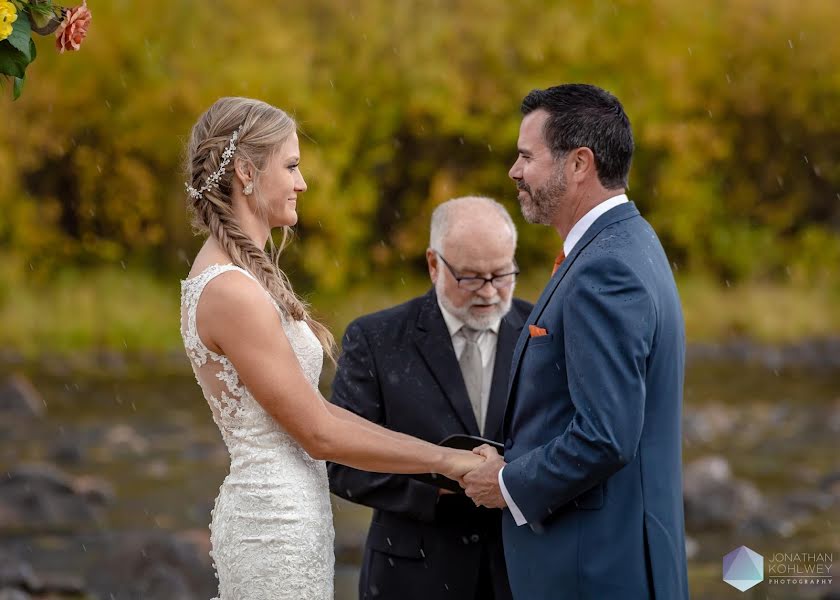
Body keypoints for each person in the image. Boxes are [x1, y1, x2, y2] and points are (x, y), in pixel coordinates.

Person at [178, 97, 484, 600]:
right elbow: (318, 433)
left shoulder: (244, 274)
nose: (302, 183)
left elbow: (317, 412)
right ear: (246, 172)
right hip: (272, 523)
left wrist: (439, 461)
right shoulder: (231, 290)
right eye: (292, 166)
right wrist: (444, 463)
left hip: (291, 511)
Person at [461, 84, 690, 599]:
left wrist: (506, 484)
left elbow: (606, 434)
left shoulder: (604, 267)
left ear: (579, 163)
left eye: (526, 156)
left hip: (598, 572)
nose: (514, 172)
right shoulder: (632, 241)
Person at [328, 196, 532, 600]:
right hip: (411, 576)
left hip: (522, 572)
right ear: (434, 264)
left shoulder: (544, 328)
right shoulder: (374, 340)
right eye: (472, 277)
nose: (490, 293)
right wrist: (440, 485)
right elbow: (340, 464)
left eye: (502, 274)